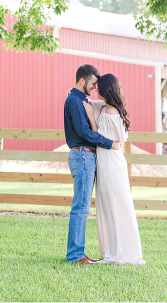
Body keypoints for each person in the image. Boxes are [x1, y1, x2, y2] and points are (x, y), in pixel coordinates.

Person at [83, 73, 146, 265]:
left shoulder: (110, 111)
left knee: (114, 206)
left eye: (98, 87)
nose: (96, 89)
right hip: (108, 162)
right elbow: (93, 103)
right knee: (110, 206)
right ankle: (114, 250)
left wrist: (90, 116)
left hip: (110, 163)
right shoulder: (108, 107)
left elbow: (99, 137)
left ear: (106, 89)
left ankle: (118, 253)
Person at [64, 64, 121, 265]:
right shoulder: (74, 101)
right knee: (81, 207)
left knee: (82, 207)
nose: (95, 87)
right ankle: (75, 255)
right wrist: (109, 143)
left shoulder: (78, 99)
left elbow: (100, 105)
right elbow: (84, 133)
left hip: (85, 156)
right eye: (93, 83)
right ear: (82, 80)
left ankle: (78, 253)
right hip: (82, 156)